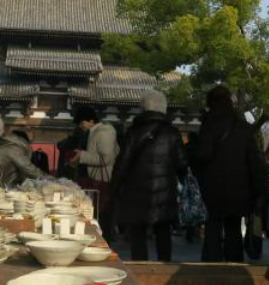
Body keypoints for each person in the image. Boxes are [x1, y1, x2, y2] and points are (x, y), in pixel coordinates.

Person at [192, 85, 269, 262]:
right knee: (234, 230)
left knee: (212, 229)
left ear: (210, 102)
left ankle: (210, 272)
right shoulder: (243, 127)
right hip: (239, 190)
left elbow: (202, 156)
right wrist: (260, 191)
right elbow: (255, 163)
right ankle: (235, 270)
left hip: (212, 189)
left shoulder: (208, 125)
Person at [109, 90, 186, 260]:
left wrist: (114, 188)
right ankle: (165, 266)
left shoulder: (134, 132)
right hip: (165, 192)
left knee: (138, 233)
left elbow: (122, 163)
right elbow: (182, 164)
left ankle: (140, 267)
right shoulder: (173, 133)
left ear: (143, 108)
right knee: (163, 231)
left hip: (137, 191)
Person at [69, 106, 120, 243]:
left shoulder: (104, 133)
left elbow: (106, 158)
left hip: (102, 181)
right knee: (97, 216)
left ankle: (104, 244)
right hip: (94, 180)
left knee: (102, 217)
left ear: (91, 120)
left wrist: (83, 156)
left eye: (82, 122)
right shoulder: (93, 132)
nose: (80, 126)